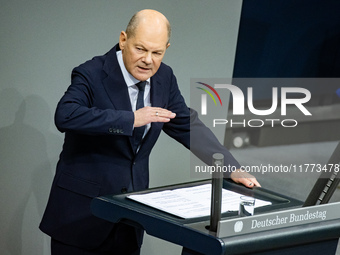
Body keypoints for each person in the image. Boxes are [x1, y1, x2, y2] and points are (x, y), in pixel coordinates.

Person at [40, 9, 260, 255]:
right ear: (124, 40)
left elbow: (187, 124)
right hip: (82, 216)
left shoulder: (164, 77)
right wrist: (132, 119)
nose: (148, 60)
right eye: (140, 49)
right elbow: (66, 115)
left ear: (166, 47)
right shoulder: (91, 73)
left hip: (129, 218)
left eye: (157, 52)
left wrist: (229, 166)